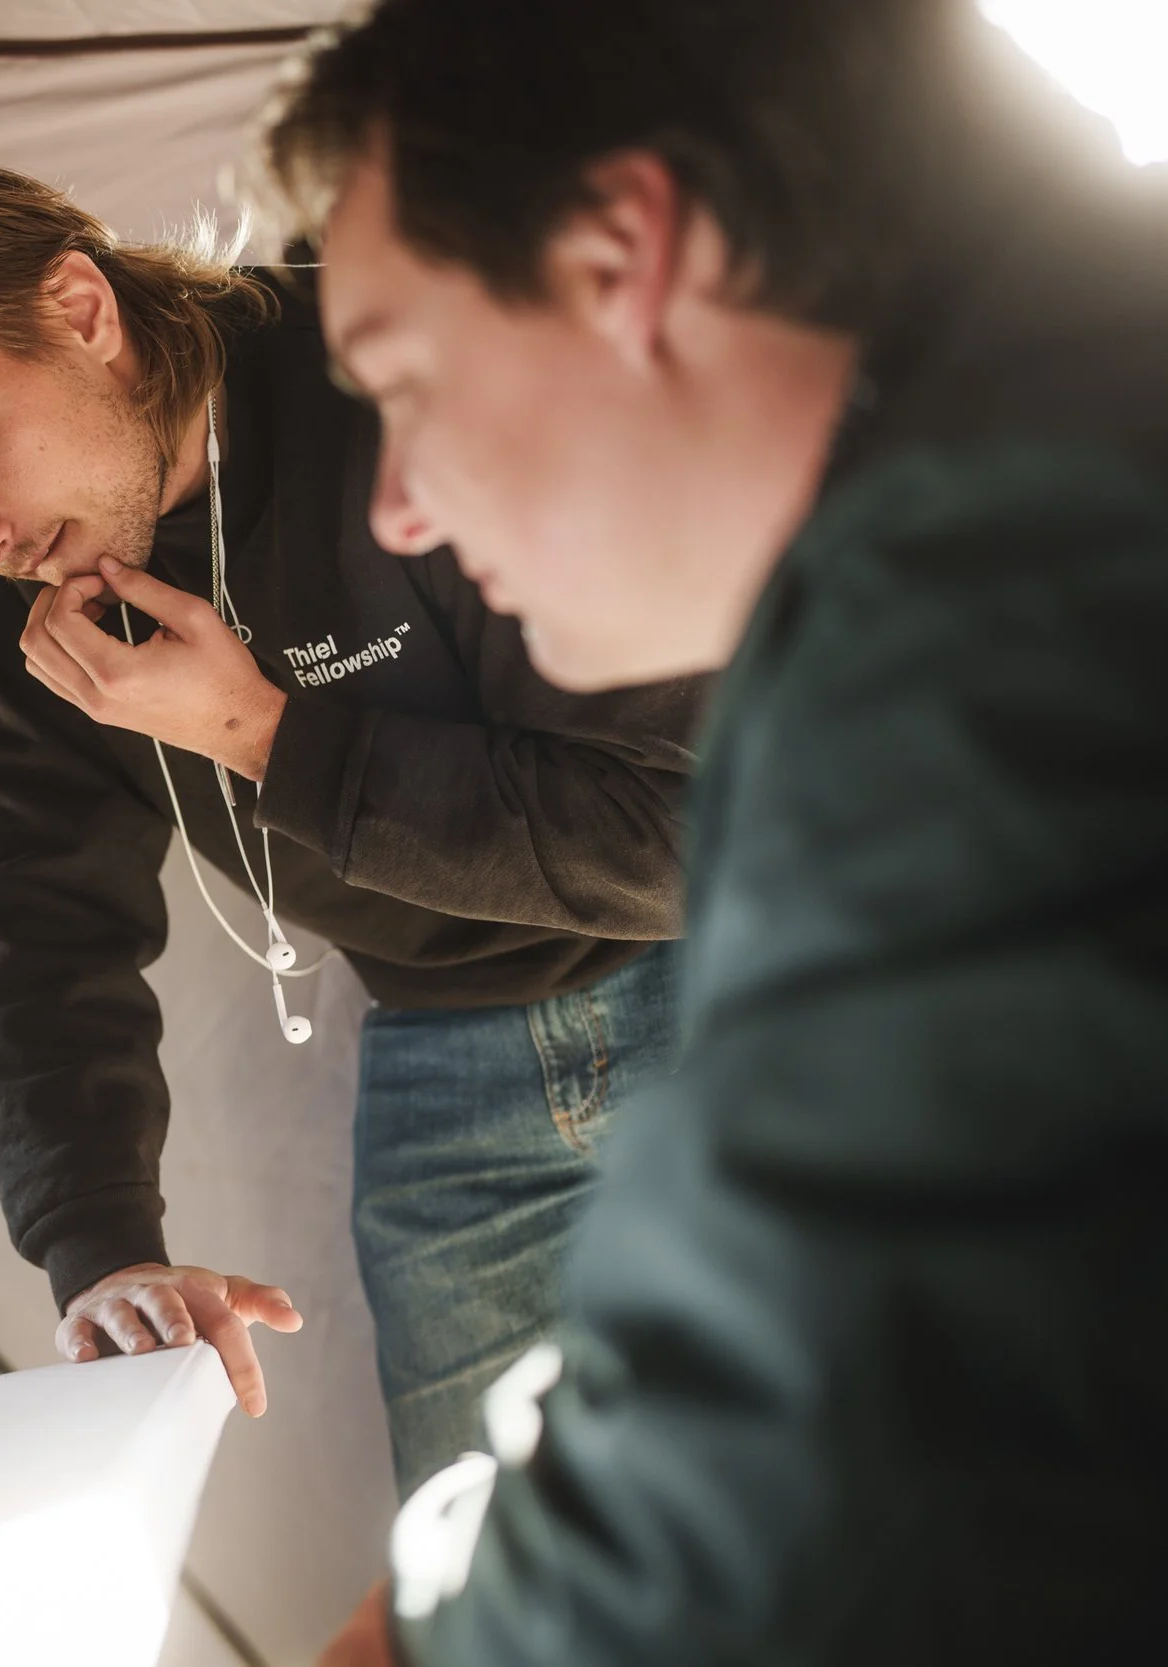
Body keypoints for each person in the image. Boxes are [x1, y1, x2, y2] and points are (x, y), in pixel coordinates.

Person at [257, 0, 1168, 1660]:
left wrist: (426, 1634)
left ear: (621, 259)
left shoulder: (996, 580)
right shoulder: (1067, 412)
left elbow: (800, 1444)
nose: (398, 503)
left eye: (404, 380)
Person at [0, 166, 705, 1493]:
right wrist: (100, 1243)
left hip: (721, 1001)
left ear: (79, 308)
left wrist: (267, 737)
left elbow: (691, 836)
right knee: (494, 1577)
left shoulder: (407, 372)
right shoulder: (22, 597)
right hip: (438, 1057)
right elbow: (30, 916)